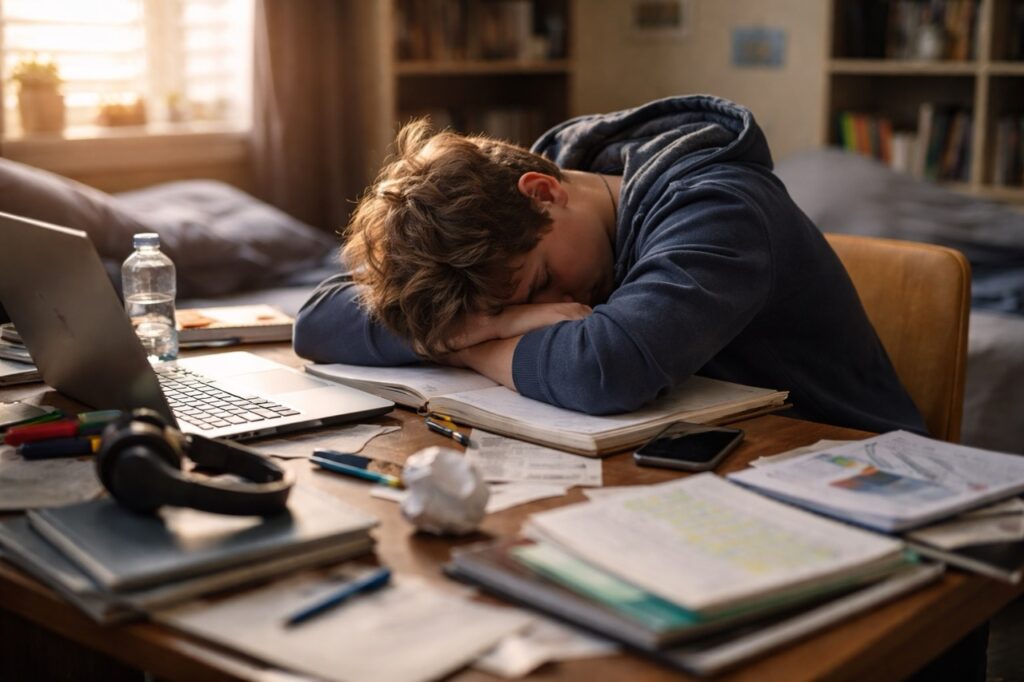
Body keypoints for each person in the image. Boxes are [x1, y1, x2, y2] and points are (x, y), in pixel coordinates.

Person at [293, 95, 925, 435]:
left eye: (537, 287)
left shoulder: (716, 203)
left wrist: (464, 341)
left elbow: (606, 367)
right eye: (508, 312)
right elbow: (318, 320)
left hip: (849, 465)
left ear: (544, 192)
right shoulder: (519, 218)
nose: (537, 313)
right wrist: (480, 332)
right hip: (703, 456)